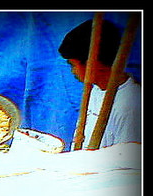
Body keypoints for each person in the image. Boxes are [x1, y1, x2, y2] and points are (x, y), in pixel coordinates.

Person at [59, 18, 142, 146]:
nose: (72, 71)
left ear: (92, 63)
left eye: (72, 65)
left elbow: (126, 161)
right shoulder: (95, 91)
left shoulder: (130, 104)